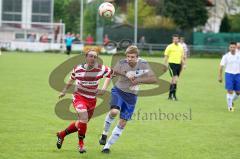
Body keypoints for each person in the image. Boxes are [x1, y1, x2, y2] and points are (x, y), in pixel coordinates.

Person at [99, 45, 157, 153]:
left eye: (132, 57)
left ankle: (107, 146)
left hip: (132, 96)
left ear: (137, 57)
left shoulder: (143, 63)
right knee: (114, 111)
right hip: (119, 91)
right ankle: (104, 133)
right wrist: (103, 88)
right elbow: (111, 74)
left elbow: (153, 79)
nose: (129, 59)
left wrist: (139, 80)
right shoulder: (122, 63)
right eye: (128, 56)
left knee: (122, 123)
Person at [56, 48, 113, 153]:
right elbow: (71, 79)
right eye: (91, 56)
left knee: (82, 122)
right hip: (79, 97)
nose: (93, 58)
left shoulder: (101, 69)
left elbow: (110, 74)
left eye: (95, 57)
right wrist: (64, 91)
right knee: (83, 117)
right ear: (86, 57)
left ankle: (62, 134)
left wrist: (104, 89)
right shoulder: (77, 69)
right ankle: (80, 145)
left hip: (91, 100)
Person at [218, 42, 240, 112]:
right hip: (229, 74)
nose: (232, 49)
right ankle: (230, 106)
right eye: (231, 47)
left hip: (238, 74)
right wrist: (220, 76)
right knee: (230, 91)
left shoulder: (239, 55)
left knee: (238, 92)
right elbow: (221, 66)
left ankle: (231, 100)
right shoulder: (226, 56)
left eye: (234, 47)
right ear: (229, 48)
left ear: (236, 48)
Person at [163, 34, 185, 101]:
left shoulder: (181, 47)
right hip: (171, 64)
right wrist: (164, 65)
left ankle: (170, 96)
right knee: (175, 79)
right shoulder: (169, 47)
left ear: (178, 39)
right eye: (174, 39)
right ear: (173, 40)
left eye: (176, 39)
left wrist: (184, 64)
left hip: (178, 65)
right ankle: (174, 96)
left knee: (173, 80)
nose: (175, 40)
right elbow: (166, 56)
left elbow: (182, 57)